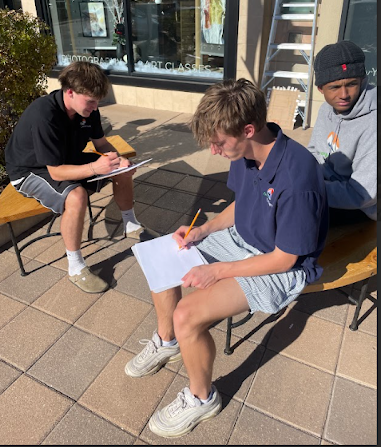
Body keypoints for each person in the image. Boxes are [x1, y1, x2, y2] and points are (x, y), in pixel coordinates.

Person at [124, 78, 329, 438]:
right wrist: (204, 230)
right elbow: (241, 204)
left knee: (188, 314)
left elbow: (285, 259)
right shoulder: (246, 151)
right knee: (166, 255)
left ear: (248, 129)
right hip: (242, 240)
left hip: (280, 264)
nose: (214, 151)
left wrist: (217, 271)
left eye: (218, 143)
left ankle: (202, 398)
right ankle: (167, 340)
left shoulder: (298, 176)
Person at [5, 61, 148, 293]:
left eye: (97, 102)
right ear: (70, 92)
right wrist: (94, 168)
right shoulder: (45, 115)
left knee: (119, 168)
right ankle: (75, 267)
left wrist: (117, 159)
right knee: (77, 195)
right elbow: (55, 172)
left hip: (65, 160)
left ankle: (131, 224)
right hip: (30, 171)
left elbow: (101, 143)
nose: (94, 107)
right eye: (91, 101)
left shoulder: (87, 109)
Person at [308, 40, 377, 222]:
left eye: (352, 84)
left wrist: (309, 188)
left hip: (363, 207)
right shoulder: (326, 110)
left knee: (294, 211)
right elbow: (315, 152)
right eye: (335, 87)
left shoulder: (373, 121)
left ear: (362, 80)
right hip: (330, 188)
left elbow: (365, 194)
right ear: (320, 89)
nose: (344, 94)